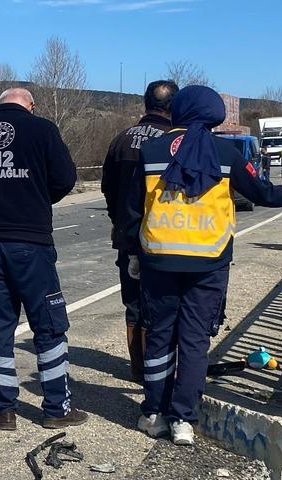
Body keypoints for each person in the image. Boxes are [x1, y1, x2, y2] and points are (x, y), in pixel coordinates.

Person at [123, 85, 282, 446]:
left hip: (159, 258)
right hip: (208, 261)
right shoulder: (226, 152)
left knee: (159, 338)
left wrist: (132, 253)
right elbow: (264, 193)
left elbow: (131, 210)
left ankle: (153, 413)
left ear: (179, 111)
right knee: (193, 341)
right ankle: (183, 421)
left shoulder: (151, 150)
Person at [0, 87, 87, 431]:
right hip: (31, 243)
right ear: (31, 106)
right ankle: (56, 407)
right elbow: (65, 179)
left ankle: (3, 410)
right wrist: (37, 195)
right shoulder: (42, 130)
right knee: (49, 325)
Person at [101, 80, 179, 382]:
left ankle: (137, 369)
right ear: (173, 107)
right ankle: (156, 372)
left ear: (145, 104)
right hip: (163, 236)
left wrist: (118, 222)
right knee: (161, 305)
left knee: (132, 303)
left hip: (127, 236)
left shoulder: (122, 139)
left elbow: (108, 188)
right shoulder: (172, 141)